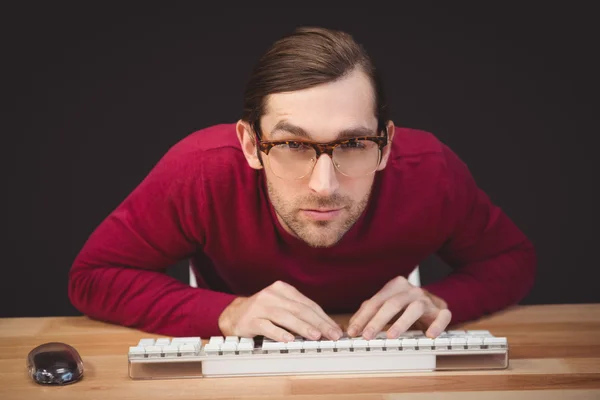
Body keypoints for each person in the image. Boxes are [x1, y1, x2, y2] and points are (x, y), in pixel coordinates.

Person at [68, 27, 536, 343]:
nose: (324, 185)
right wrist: (226, 314)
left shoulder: (431, 170)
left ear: (387, 144)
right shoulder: (200, 171)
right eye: (293, 145)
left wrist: (438, 300)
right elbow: (92, 278)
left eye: (353, 143)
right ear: (251, 145)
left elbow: (512, 260)